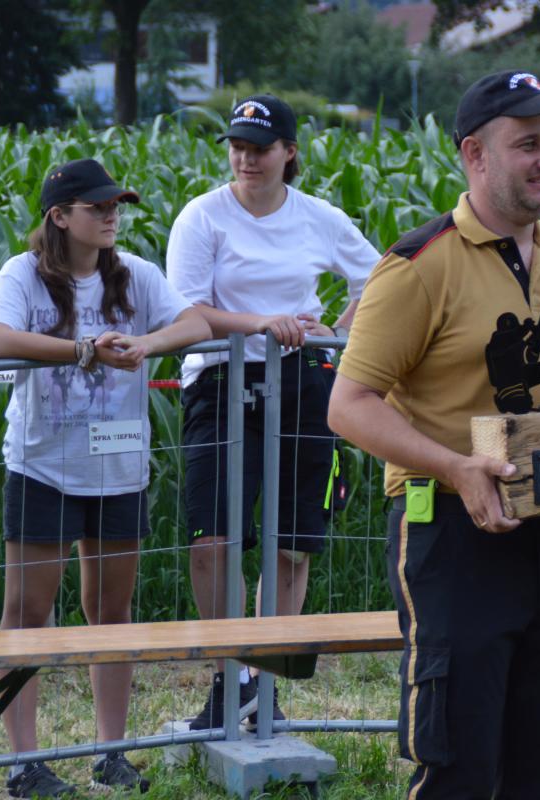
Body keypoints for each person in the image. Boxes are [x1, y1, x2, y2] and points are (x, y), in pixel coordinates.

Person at [328, 70, 540, 797]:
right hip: (451, 532)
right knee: (459, 764)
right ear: (474, 155)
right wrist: (457, 467)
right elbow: (349, 405)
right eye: (528, 144)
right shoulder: (418, 266)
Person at [0, 158, 211, 797]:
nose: (112, 216)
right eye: (98, 207)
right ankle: (23, 765)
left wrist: (148, 345)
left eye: (117, 206)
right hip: (42, 469)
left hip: (119, 470)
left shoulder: (135, 273)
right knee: (28, 614)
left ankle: (112, 753)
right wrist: (84, 350)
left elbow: (196, 323)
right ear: (59, 216)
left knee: (111, 612)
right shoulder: (22, 274)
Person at [166, 93, 379, 730]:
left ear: (289, 152)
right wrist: (260, 322)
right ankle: (228, 677)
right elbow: (184, 311)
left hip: (302, 382)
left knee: (291, 547)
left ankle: (267, 684)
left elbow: (381, 278)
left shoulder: (320, 217)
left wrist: (334, 333)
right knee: (214, 540)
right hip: (219, 381)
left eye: (259, 148)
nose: (246, 159)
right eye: (237, 146)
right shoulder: (202, 216)